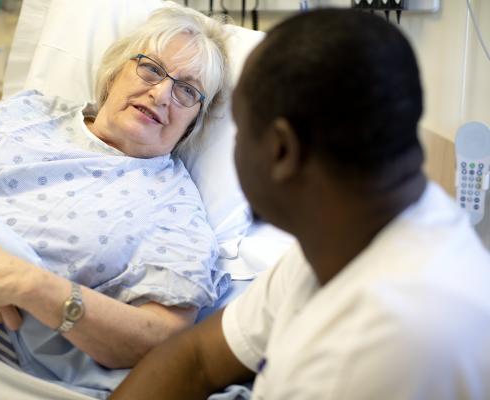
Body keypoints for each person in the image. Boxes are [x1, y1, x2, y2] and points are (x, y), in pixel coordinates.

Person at [111, 8, 490, 400]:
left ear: (281, 150)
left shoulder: (384, 345)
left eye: (239, 129)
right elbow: (198, 357)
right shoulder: (343, 241)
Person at [0, 5, 231, 396]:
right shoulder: (27, 111)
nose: (161, 93)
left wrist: (28, 286)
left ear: (195, 121)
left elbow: (163, 339)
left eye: (187, 90)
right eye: (151, 68)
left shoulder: (176, 211)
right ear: (115, 71)